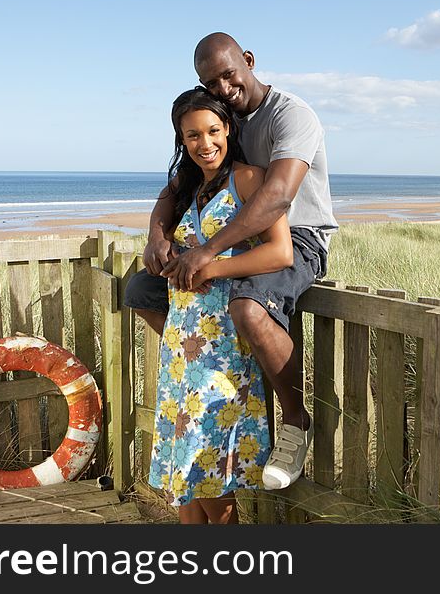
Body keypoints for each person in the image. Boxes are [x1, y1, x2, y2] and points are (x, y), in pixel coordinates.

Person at [126, 32, 338, 491]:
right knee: (140, 289)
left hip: (298, 236)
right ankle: (217, 361)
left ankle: (295, 423)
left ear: (249, 60)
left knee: (248, 308)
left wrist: (209, 252)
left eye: (229, 74)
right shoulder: (224, 121)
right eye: (211, 81)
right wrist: (156, 235)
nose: (223, 87)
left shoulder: (290, 115)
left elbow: (278, 197)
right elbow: (177, 184)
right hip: (236, 235)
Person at [148, 87, 292, 524]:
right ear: (181, 138)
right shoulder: (189, 185)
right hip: (181, 342)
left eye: (212, 131)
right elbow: (160, 215)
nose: (204, 143)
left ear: (228, 129)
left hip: (222, 345)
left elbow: (280, 252)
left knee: (209, 467)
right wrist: (157, 239)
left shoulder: (246, 179)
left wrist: (210, 268)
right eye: (192, 135)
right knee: (183, 474)